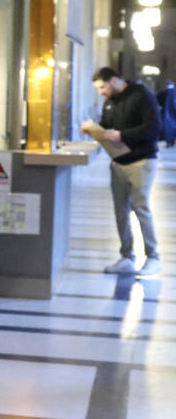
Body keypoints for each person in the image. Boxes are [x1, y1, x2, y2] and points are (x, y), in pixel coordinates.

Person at [82, 67, 161, 276]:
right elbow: (107, 126)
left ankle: (153, 257)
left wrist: (123, 135)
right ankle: (127, 256)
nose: (100, 92)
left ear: (115, 81)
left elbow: (153, 127)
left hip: (141, 161)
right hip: (118, 163)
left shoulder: (142, 96)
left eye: (102, 87)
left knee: (140, 208)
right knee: (120, 211)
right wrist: (94, 130)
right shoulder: (111, 102)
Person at [157, 80, 175, 148]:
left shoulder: (162, 93)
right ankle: (171, 141)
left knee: (167, 129)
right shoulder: (174, 92)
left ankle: (169, 142)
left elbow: (157, 103)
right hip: (172, 115)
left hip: (165, 115)